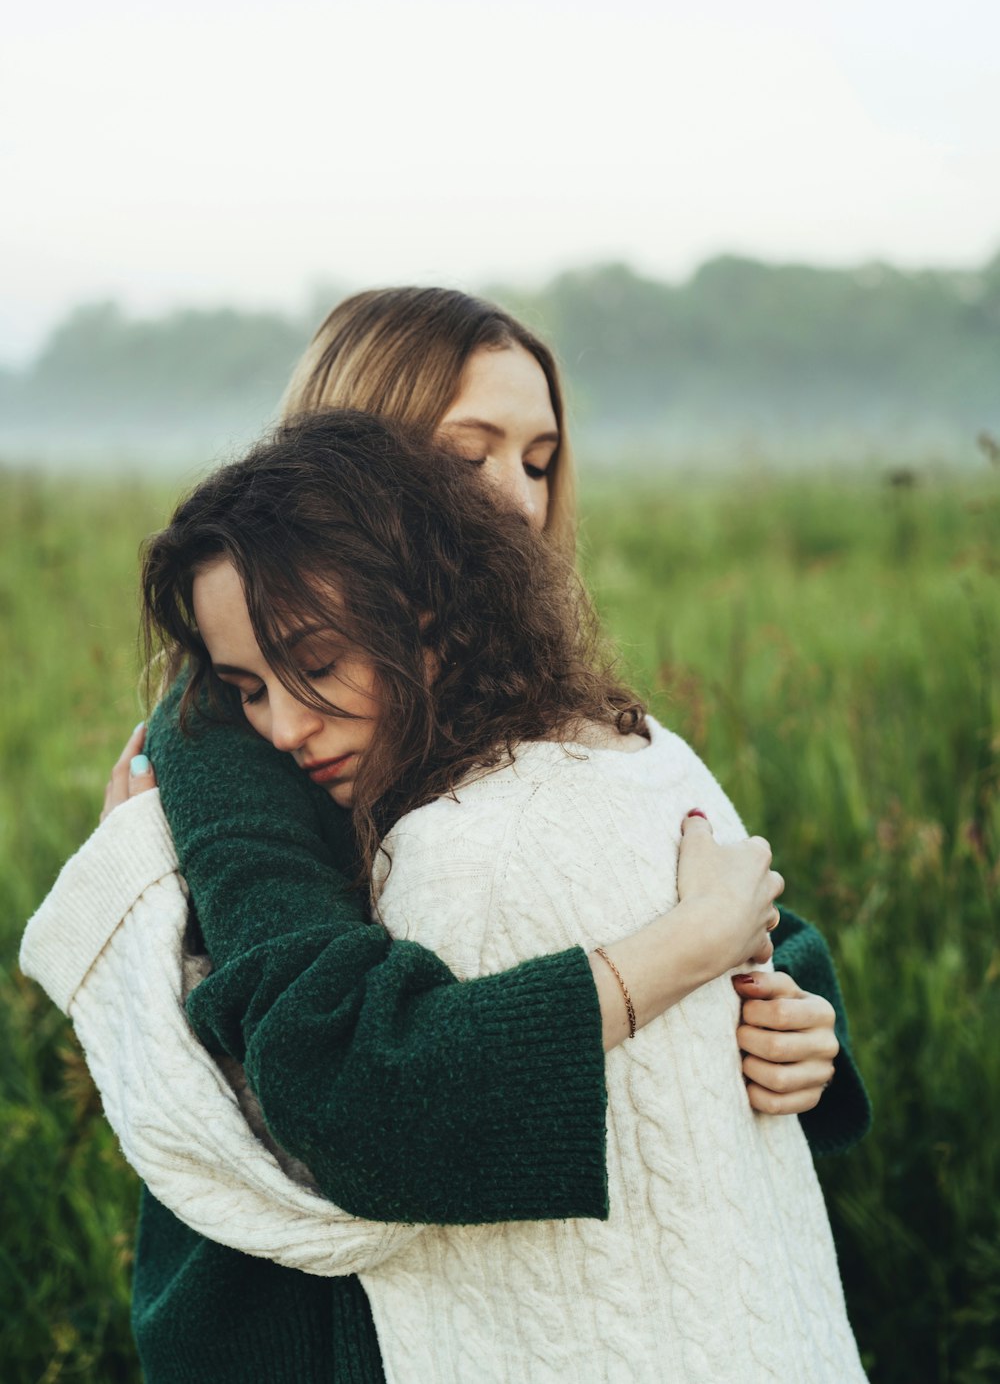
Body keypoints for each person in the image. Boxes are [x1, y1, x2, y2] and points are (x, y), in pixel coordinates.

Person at [20, 290, 870, 1383]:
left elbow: (641, 871)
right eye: (470, 457)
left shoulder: (490, 679)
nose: (516, 501)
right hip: (293, 1314)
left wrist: (793, 999)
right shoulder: (237, 727)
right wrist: (688, 950)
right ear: (355, 470)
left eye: (539, 459)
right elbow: (336, 1054)